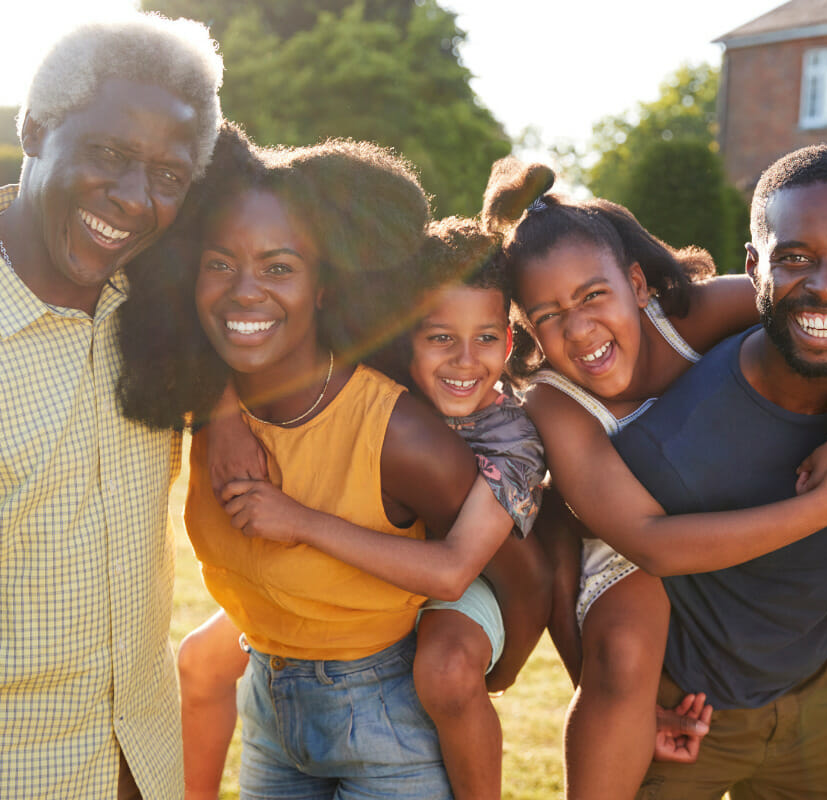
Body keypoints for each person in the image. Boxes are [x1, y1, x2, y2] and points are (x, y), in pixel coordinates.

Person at [482, 155, 827, 799]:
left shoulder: (694, 316)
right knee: (624, 653)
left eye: (594, 296)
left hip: (735, 511)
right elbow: (650, 541)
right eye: (548, 315)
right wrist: (825, 506)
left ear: (638, 284)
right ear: (526, 327)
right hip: (627, 543)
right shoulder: (556, 401)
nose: (580, 329)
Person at [117, 126, 501, 798]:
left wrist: (484, 669)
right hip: (269, 704)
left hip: (390, 713)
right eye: (219, 263)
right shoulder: (194, 395)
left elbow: (510, 562)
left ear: (324, 288)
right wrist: (221, 407)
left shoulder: (401, 437)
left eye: (279, 267)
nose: (244, 291)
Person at [605, 144, 827, 799]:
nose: (826, 284)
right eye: (794, 257)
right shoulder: (667, 440)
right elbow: (584, 569)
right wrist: (621, 701)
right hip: (687, 715)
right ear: (752, 266)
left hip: (820, 702)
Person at [172, 214, 550, 800]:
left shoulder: (511, 443)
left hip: (468, 572)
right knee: (201, 655)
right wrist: (222, 414)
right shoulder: (380, 378)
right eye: (441, 337)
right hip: (333, 627)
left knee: (446, 669)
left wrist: (299, 521)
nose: (465, 360)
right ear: (408, 336)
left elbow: (457, 571)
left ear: (509, 337)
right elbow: (229, 334)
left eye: (487, 338)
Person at [0, 14, 222, 798]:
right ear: (33, 128)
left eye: (167, 177)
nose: (133, 200)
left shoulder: (165, 312)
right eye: (108, 155)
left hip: (142, 766)